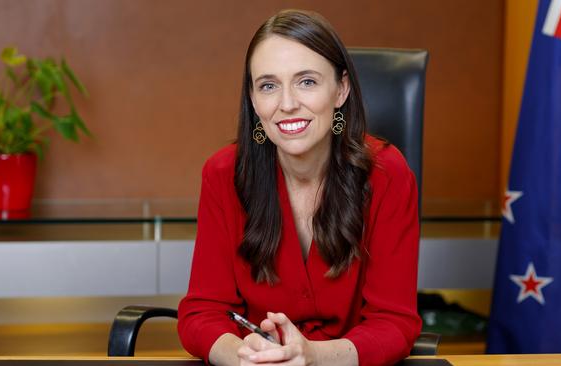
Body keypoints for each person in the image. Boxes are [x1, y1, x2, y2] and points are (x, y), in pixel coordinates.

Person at [178, 9, 421, 366]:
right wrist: (244, 357)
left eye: (306, 81)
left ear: (341, 89)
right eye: (269, 85)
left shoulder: (387, 173)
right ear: (253, 98)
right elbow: (202, 314)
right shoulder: (223, 174)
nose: (287, 104)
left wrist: (312, 356)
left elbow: (395, 323)